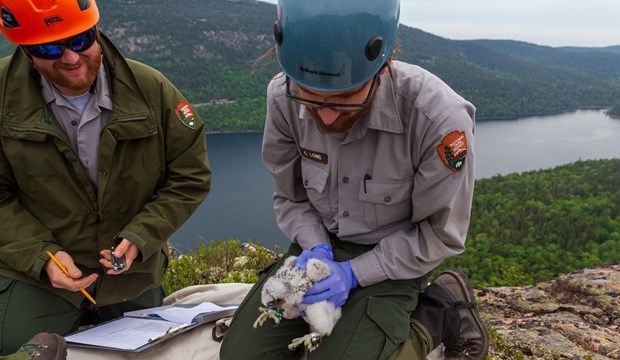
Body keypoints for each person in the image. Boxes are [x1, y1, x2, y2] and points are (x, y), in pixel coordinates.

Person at [220, 0, 488, 359]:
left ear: (384, 62)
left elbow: (439, 234)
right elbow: (291, 198)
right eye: (312, 99)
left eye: (346, 97)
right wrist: (316, 247)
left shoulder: (439, 122)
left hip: (394, 259)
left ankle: (438, 312)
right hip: (319, 246)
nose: (327, 118)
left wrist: (354, 273)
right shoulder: (282, 96)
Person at [0, 0, 211, 356]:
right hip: (38, 272)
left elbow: (189, 176)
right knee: (14, 345)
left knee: (156, 351)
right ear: (25, 49)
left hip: (131, 271)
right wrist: (42, 257)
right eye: (49, 48)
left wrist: (141, 236)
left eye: (81, 40)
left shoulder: (151, 90)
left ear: (96, 30)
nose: (70, 58)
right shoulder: (3, 95)